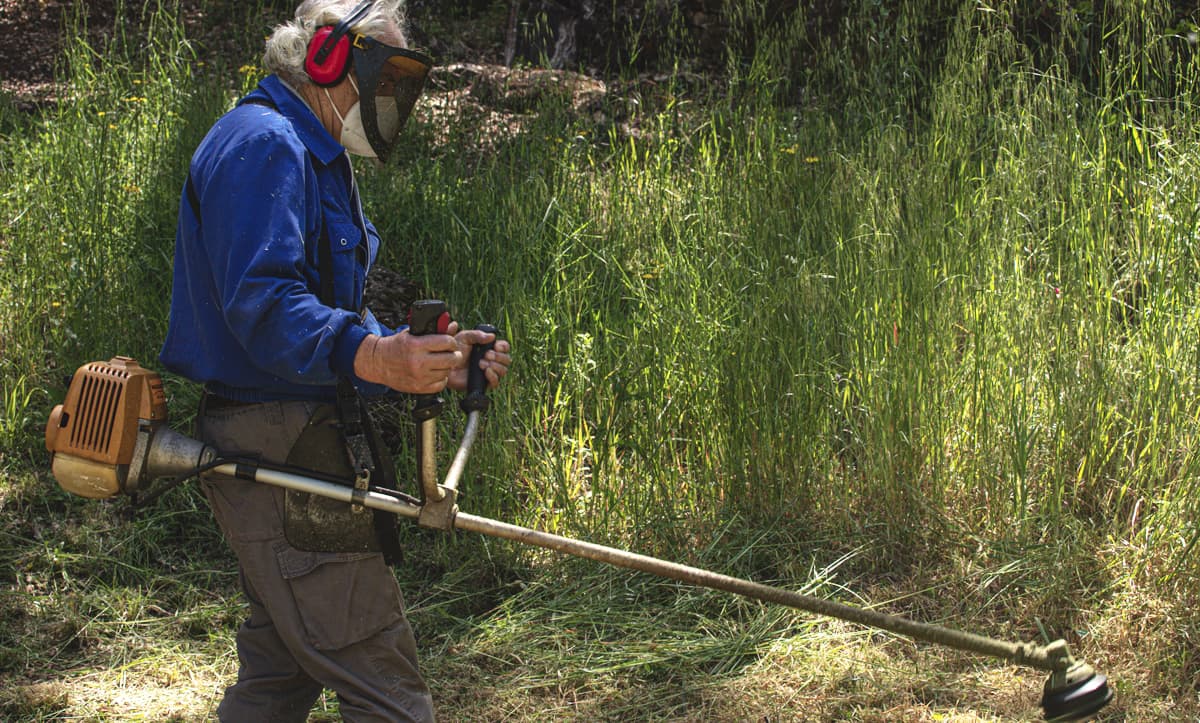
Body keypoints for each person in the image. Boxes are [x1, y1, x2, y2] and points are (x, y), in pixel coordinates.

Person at [158, 1, 511, 720]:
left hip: (295, 436)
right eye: (381, 80)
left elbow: (334, 318)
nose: (389, 103)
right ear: (325, 60)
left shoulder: (308, 150)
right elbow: (263, 307)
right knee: (387, 691)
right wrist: (379, 355)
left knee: (280, 675)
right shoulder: (265, 144)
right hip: (279, 443)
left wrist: (430, 360)